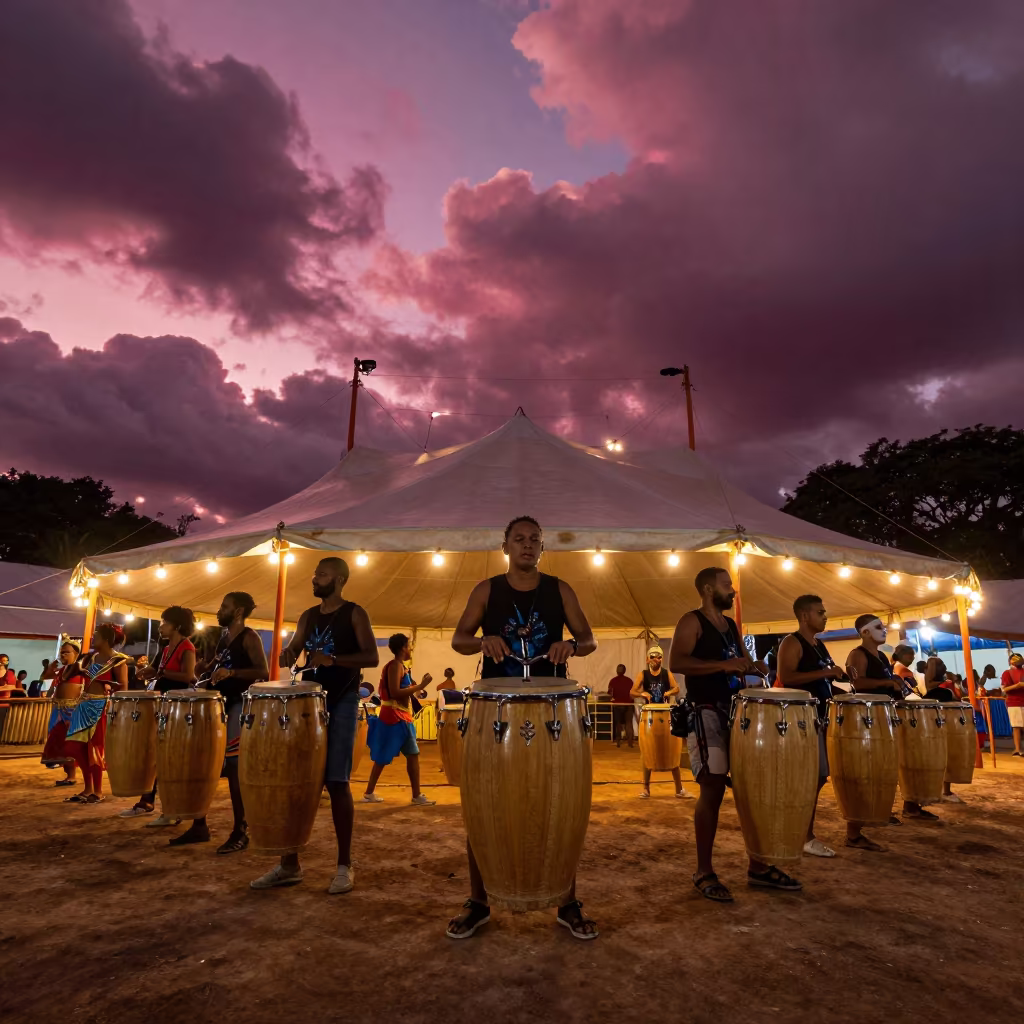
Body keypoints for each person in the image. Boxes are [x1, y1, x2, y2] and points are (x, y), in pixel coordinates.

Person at [446, 515, 598, 941]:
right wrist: (481, 642)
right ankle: (478, 901)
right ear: (506, 546)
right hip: (496, 707)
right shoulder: (487, 589)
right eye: (519, 539)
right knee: (484, 804)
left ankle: (567, 901)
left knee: (559, 802)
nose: (527, 545)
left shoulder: (559, 589)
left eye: (534, 540)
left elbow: (589, 640)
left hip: (554, 707)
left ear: (542, 548)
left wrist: (571, 644)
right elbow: (459, 638)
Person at [670, 567, 800, 903]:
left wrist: (755, 665)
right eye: (728, 585)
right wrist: (724, 667)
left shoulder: (729, 625)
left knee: (751, 788)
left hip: (737, 713)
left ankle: (758, 867)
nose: (733, 591)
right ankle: (704, 871)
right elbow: (677, 662)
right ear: (709, 589)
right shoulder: (691, 621)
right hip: (706, 713)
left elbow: (738, 659)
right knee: (712, 789)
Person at [250, 557, 379, 893]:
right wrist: (288, 654)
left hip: (343, 699)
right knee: (297, 782)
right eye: (315, 573)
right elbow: (295, 647)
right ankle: (289, 865)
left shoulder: (354, 613)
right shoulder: (308, 616)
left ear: (339, 579)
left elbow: (371, 657)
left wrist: (334, 660)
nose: (314, 578)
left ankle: (344, 865)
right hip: (308, 702)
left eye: (321, 574)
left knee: (337, 781)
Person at [776, 595, 882, 854]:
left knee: (818, 777)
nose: (825, 616)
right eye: (820, 612)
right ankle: (803, 836)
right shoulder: (792, 642)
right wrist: (827, 672)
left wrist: (842, 689)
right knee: (810, 778)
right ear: (804, 616)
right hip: (801, 720)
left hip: (822, 718)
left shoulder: (818, 646)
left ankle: (805, 834)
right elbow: (787, 677)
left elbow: (821, 684)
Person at [171, 591, 269, 851]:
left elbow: (263, 671)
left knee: (235, 768)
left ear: (237, 612)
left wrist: (233, 671)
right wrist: (208, 668)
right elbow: (218, 667)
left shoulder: (249, 637)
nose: (219, 610)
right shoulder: (224, 639)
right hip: (219, 705)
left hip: (238, 704)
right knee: (204, 763)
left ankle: (241, 830)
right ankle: (199, 825)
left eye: (224, 607)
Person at [846, 614, 937, 823]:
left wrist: (894, 682)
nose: (884, 630)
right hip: (871, 716)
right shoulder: (857, 654)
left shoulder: (880, 656)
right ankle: (878, 810)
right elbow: (857, 684)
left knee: (900, 762)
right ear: (865, 632)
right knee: (879, 766)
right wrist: (888, 684)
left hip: (888, 713)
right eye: (879, 627)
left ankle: (908, 805)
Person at [119, 607, 197, 824]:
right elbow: (156, 667)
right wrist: (145, 670)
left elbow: (188, 676)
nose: (161, 626)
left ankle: (172, 809)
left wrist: (160, 673)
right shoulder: (165, 647)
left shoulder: (186, 647)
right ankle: (148, 801)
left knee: (169, 757)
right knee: (155, 754)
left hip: (177, 705)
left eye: (164, 622)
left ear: (177, 625)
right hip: (163, 703)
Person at [362, 634, 435, 805]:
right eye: (409, 645)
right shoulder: (395, 666)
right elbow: (395, 692)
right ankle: (414, 796)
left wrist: (416, 689)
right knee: (389, 756)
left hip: (399, 716)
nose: (411, 649)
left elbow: (401, 692)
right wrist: (421, 686)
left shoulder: (399, 666)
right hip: (395, 717)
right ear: (403, 647)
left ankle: (371, 792)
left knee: (410, 754)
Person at [64, 623, 130, 804]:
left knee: (94, 750)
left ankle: (97, 791)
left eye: (96, 636)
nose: (93, 639)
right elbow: (68, 675)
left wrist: (115, 706)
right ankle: (87, 788)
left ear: (107, 640)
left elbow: (123, 687)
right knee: (74, 747)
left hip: (101, 706)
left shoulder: (118, 660)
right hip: (83, 704)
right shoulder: (90, 658)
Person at [631, 647, 688, 799]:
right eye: (654, 657)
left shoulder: (666, 673)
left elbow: (676, 687)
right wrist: (641, 693)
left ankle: (679, 789)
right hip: (649, 716)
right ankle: (646, 789)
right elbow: (632, 691)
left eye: (659, 657)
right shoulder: (643, 674)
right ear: (648, 658)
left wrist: (669, 692)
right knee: (648, 753)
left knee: (673, 753)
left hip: (666, 714)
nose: (657, 659)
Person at [40, 640, 87, 787]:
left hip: (72, 711)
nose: (63, 654)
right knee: (59, 743)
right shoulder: (62, 670)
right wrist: (50, 667)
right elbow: (44, 677)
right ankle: (69, 776)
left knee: (70, 743)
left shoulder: (78, 668)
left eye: (67, 652)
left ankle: (73, 776)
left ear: (76, 654)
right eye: (61, 652)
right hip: (58, 710)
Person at [605, 663, 635, 748]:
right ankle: (630, 742)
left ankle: (618, 741)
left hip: (617, 705)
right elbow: (633, 693)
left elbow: (610, 694)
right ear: (625, 671)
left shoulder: (613, 681)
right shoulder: (629, 681)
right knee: (629, 723)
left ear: (617, 671)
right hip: (629, 704)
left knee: (618, 723)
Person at [1002, 653, 1024, 757]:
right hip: (1013, 703)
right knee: (1016, 726)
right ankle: (1018, 749)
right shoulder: (1007, 673)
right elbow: (1004, 689)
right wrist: (1018, 685)